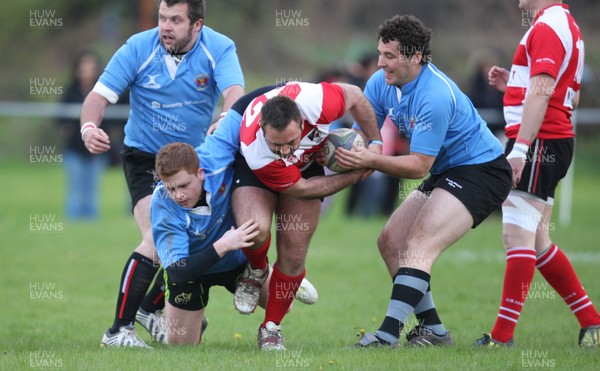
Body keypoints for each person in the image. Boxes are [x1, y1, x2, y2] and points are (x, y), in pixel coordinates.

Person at [333, 14, 512, 348]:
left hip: (482, 172)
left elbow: (417, 166)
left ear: (415, 56)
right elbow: (361, 135)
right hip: (446, 171)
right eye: (379, 54)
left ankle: (387, 336)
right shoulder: (380, 82)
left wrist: (371, 159)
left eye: (389, 56)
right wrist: (337, 152)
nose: (380, 63)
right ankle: (435, 331)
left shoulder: (435, 95)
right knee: (391, 241)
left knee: (418, 246)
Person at [80, 0, 245, 348]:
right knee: (156, 241)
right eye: (161, 18)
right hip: (144, 159)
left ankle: (147, 308)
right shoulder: (138, 47)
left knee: (187, 242)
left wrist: (226, 119)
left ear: (197, 25)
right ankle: (118, 331)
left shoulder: (219, 47)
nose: (165, 26)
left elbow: (234, 94)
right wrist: (89, 127)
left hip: (191, 163)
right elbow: (99, 95)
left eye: (175, 20)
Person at [473, 0, 600, 348]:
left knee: (517, 237)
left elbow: (545, 94)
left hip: (539, 142)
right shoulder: (565, 25)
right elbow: (560, 94)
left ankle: (502, 338)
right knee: (538, 240)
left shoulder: (547, 26)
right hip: (550, 140)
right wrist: (512, 86)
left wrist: (519, 149)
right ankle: (592, 321)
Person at [230, 81, 383, 350]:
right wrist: (355, 174)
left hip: (307, 167)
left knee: (295, 253)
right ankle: (256, 270)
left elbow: (357, 96)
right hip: (259, 174)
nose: (286, 151)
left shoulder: (319, 102)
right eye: (276, 144)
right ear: (263, 129)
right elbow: (301, 189)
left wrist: (376, 143)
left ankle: (271, 328)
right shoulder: (256, 148)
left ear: (302, 122)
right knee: (253, 230)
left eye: (291, 142)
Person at [150, 136, 316, 345]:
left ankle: (273, 271)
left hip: (237, 262)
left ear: (200, 173)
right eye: (171, 188)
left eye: (184, 185)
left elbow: (245, 113)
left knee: (285, 304)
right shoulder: (162, 202)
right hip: (192, 273)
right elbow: (177, 271)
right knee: (181, 347)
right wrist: (223, 245)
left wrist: (222, 117)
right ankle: (195, 322)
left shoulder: (217, 159)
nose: (179, 195)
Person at [58, 51, 111, 220]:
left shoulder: (104, 91)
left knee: (92, 187)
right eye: (84, 67)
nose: (87, 71)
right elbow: (60, 116)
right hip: (75, 148)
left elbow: (115, 115)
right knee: (75, 187)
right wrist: (67, 129)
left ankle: (90, 220)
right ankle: (73, 220)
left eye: (91, 67)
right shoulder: (71, 91)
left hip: (96, 150)